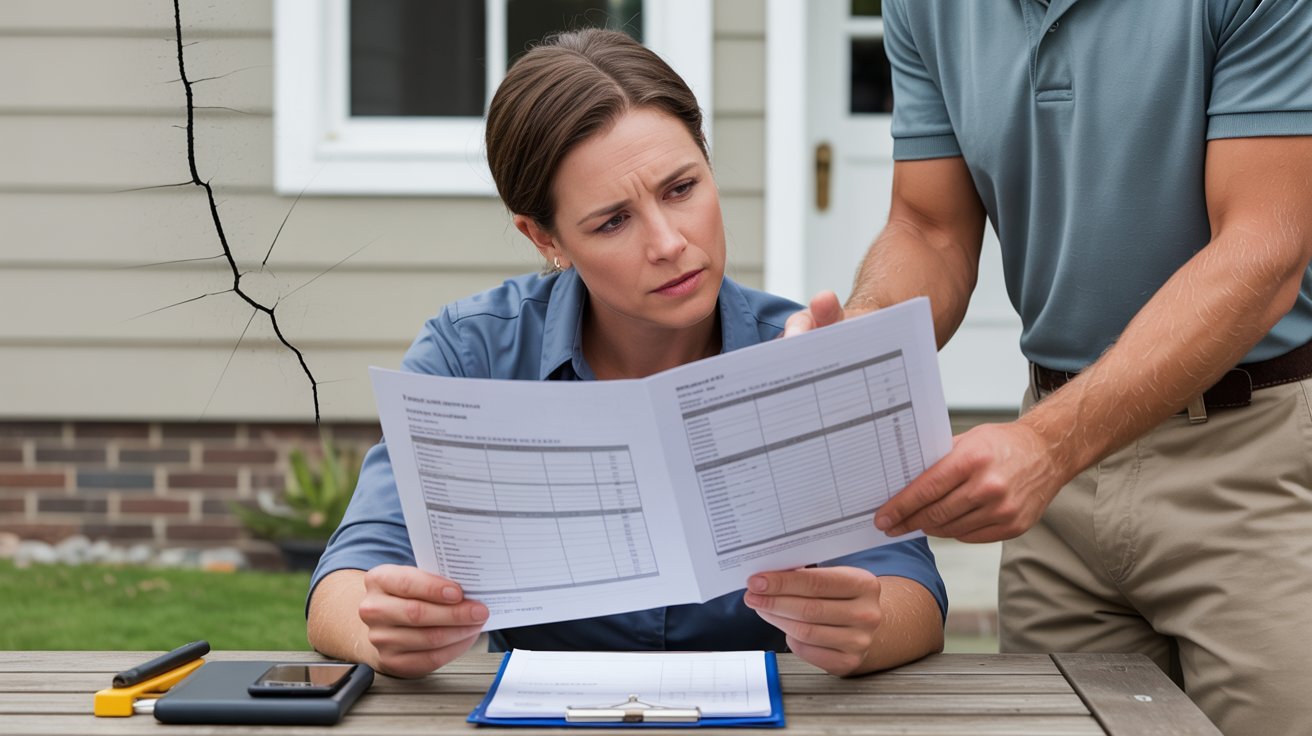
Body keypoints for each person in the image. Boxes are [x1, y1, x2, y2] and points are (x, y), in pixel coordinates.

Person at [306, 28, 946, 680]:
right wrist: (381, 625)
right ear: (544, 237)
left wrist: (868, 625)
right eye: (613, 221)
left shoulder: (804, 349)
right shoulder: (471, 354)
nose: (668, 243)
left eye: (680, 189)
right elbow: (345, 579)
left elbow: (912, 596)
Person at [785, 2, 1312, 733]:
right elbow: (930, 227)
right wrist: (858, 346)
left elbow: (1262, 249)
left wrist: (1049, 442)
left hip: (1249, 460)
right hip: (1057, 499)